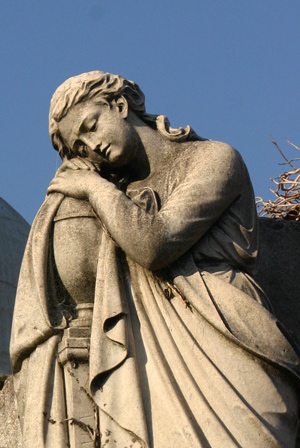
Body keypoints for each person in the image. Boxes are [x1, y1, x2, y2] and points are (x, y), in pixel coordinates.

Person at [11, 71, 300, 448]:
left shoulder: (214, 159)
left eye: (91, 126)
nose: (91, 146)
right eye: (79, 147)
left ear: (119, 105)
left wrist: (91, 186)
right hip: (148, 366)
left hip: (230, 342)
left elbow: (154, 244)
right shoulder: (112, 201)